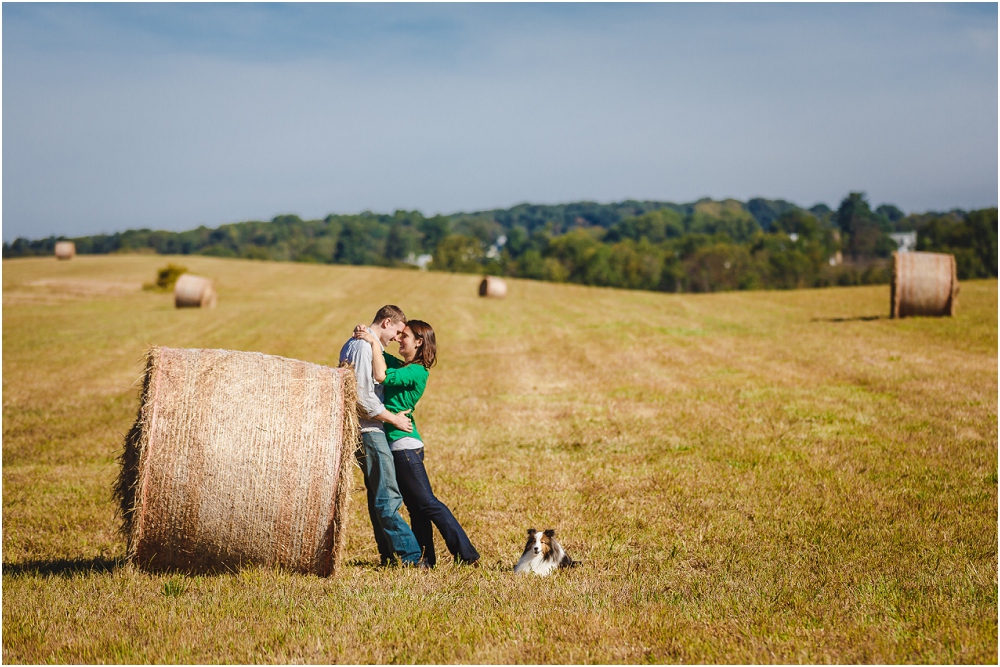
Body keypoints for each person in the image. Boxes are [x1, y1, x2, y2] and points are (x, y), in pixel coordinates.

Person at [354, 319, 480, 568]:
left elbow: (381, 373)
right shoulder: (404, 366)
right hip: (397, 444)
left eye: (406, 336)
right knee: (417, 507)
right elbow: (377, 356)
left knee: (427, 503)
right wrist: (369, 337)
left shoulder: (418, 371)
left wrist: (371, 341)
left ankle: (467, 554)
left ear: (420, 342)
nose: (400, 339)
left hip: (404, 447)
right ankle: (426, 560)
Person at [339, 305, 425, 568]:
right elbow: (364, 399)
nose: (398, 338)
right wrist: (394, 418)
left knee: (377, 495)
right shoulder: (364, 347)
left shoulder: (354, 343)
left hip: (361, 430)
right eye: (398, 331)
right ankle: (410, 557)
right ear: (387, 322)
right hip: (371, 431)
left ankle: (388, 556)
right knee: (387, 495)